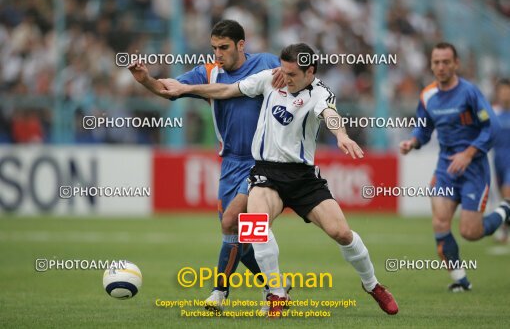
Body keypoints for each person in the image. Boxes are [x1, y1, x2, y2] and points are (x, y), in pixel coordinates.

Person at [159, 43, 399, 318]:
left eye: (292, 74)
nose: (285, 77)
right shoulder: (270, 79)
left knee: (341, 233)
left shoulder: (320, 92)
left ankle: (373, 285)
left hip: (302, 177)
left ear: (310, 72)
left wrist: (342, 136)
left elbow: (330, 115)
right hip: (266, 172)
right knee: (254, 227)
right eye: (283, 70)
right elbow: (226, 90)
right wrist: (185, 89)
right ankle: (276, 293)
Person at [128, 20, 289, 312]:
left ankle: (219, 292)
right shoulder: (207, 72)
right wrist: (146, 81)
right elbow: (171, 90)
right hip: (230, 164)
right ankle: (275, 287)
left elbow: (293, 80)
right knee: (238, 238)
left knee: (233, 222)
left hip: (261, 162)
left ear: (241, 45)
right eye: (214, 47)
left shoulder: (266, 62)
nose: (218, 53)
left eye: (224, 47)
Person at [399, 42, 510, 292]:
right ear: (431, 64)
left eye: (446, 62)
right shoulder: (427, 95)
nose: (441, 67)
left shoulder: (470, 92)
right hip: (445, 168)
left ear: (456, 64)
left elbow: (491, 127)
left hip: (473, 169)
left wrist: (469, 153)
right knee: (440, 223)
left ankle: (505, 209)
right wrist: (413, 141)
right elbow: (424, 128)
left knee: (471, 232)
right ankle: (461, 280)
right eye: (436, 62)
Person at [492, 78, 510, 243]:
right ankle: (505, 230)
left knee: (507, 192)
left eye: (507, 90)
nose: (505, 94)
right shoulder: (493, 113)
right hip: (498, 160)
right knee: (502, 198)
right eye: (502, 90)